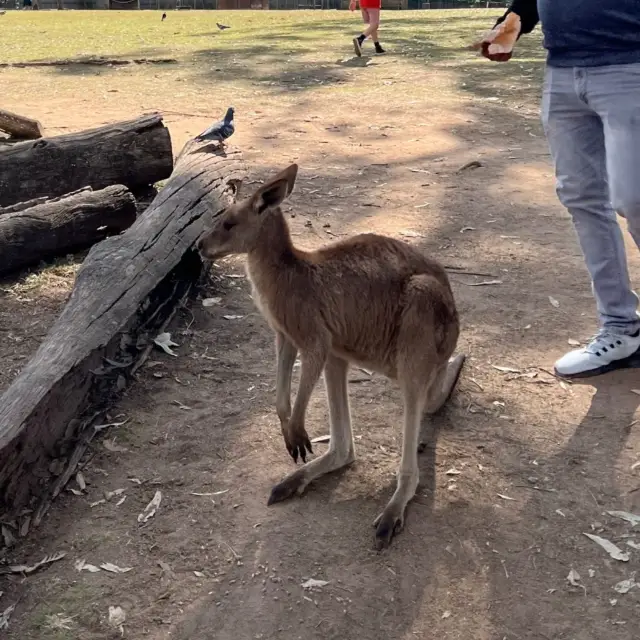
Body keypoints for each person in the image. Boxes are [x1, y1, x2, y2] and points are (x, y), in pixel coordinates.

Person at [478, 1, 640, 379]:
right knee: (582, 199)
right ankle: (621, 328)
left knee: (634, 198)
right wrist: (511, 24)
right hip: (563, 72)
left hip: (630, 66)